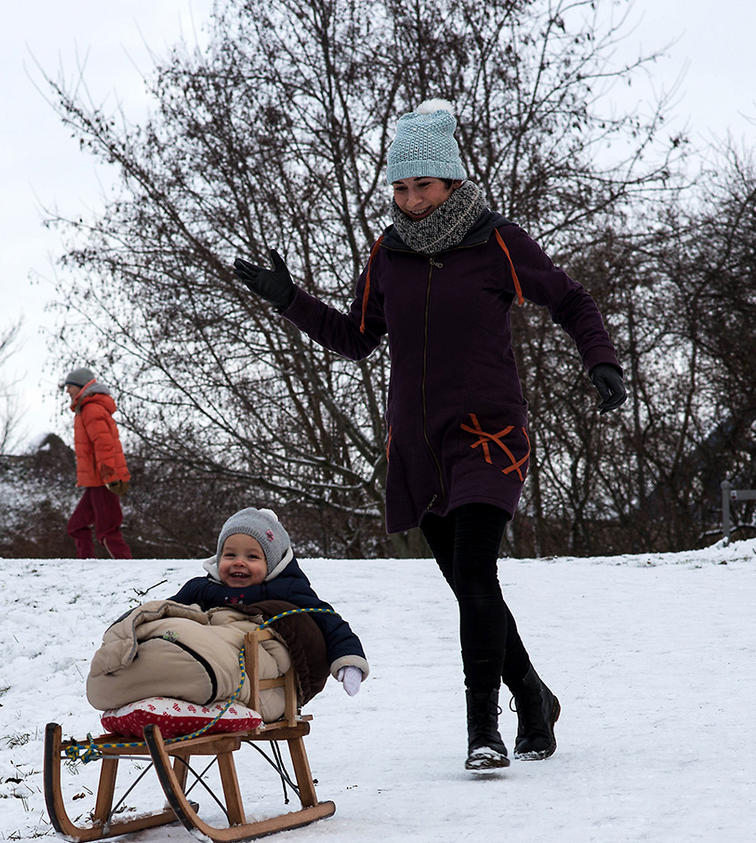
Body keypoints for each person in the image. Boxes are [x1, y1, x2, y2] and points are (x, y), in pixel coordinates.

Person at [233, 100, 625, 770]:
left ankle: (483, 731)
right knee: (472, 588)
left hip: (487, 438)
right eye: (399, 187)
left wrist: (601, 361)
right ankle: (532, 697)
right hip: (418, 450)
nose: (409, 199)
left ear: (450, 183)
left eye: (422, 185)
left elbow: (570, 299)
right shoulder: (388, 254)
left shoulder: (495, 240)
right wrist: (287, 298)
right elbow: (355, 339)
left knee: (475, 570)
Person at [169, 507, 368, 698]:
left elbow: (327, 620)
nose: (239, 562)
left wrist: (348, 659)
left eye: (252, 556)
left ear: (271, 564)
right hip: (199, 660)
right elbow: (166, 610)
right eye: (230, 555)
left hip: (256, 678)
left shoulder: (285, 590)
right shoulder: (201, 588)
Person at [62, 367, 132, 559]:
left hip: (103, 479)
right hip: (95, 481)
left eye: (70, 387)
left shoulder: (91, 409)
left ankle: (127, 566)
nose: (67, 391)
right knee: (76, 526)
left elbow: (104, 445)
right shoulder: (85, 408)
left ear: (81, 387)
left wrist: (110, 477)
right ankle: (85, 564)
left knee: (107, 530)